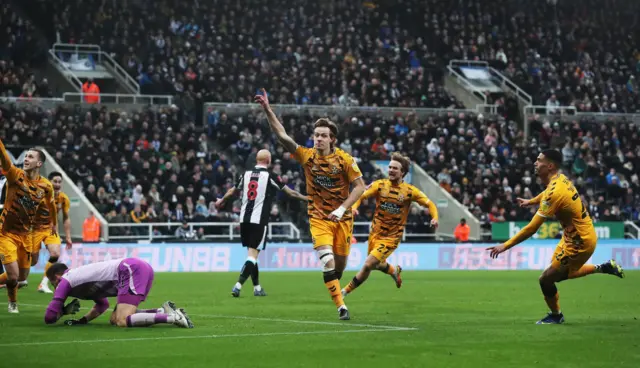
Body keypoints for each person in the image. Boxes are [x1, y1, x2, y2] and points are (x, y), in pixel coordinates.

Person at [255, 89, 366, 320]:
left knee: (339, 267)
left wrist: (342, 208)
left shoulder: (345, 160)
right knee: (327, 261)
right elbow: (283, 136)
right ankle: (341, 307)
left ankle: (336, 291)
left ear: (332, 139)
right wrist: (267, 109)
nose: (318, 138)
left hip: (343, 219)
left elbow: (360, 187)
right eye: (316, 134)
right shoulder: (307, 156)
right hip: (318, 218)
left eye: (323, 135)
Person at [487, 149, 625, 324]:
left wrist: (505, 246)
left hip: (580, 241)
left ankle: (556, 315)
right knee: (559, 274)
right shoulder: (560, 179)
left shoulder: (555, 192)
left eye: (539, 160)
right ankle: (604, 267)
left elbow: (531, 228)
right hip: (574, 236)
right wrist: (531, 201)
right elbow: (547, 194)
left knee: (546, 279)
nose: (535, 163)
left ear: (550, 165)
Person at [342, 153, 439, 297]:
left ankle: (344, 292)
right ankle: (394, 271)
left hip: (391, 237)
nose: (391, 170)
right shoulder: (379, 185)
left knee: (368, 264)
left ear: (403, 173)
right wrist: (354, 207)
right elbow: (361, 195)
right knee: (376, 264)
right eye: (390, 167)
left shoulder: (410, 191)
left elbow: (429, 203)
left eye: (395, 168)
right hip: (375, 233)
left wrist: (435, 217)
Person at [216, 149, 307, 297]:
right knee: (253, 255)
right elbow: (291, 193)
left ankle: (257, 288)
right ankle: (237, 286)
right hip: (259, 220)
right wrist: (309, 199)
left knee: (252, 253)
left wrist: (221, 200)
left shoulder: (245, 174)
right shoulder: (271, 176)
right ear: (268, 160)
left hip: (244, 219)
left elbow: (232, 191)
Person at [44, 258, 193, 328]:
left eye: (52, 284)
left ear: (57, 277)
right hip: (137, 268)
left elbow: (49, 317)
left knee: (122, 320)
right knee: (114, 319)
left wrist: (63, 311)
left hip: (129, 269)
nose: (54, 288)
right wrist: (82, 321)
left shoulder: (66, 281)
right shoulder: (76, 278)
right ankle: (162, 310)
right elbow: (102, 305)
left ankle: (173, 317)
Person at [0, 141, 57, 314]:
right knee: (14, 275)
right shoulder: (14, 175)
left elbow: (51, 205)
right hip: (5, 233)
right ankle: (13, 302)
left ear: (39, 163)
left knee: (22, 277)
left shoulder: (45, 186)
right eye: (25, 156)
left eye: (30, 157)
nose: (26, 159)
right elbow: (4, 159)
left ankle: (12, 299)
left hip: (25, 235)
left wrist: (53, 222)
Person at [25, 171, 73, 293]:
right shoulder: (40, 195)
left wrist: (68, 237)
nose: (57, 184)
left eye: (59, 182)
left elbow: (66, 218)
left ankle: (43, 283)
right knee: (32, 261)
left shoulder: (63, 198)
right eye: (54, 181)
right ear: (49, 182)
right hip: (34, 230)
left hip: (50, 230)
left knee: (55, 254)